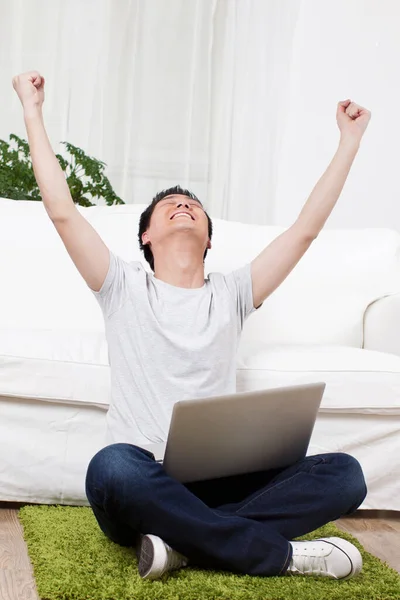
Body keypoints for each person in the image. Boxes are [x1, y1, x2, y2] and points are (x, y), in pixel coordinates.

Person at [13, 71, 370, 582]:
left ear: (207, 240)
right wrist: (32, 109)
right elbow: (62, 212)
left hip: (220, 484)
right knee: (110, 465)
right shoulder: (122, 286)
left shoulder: (233, 294)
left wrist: (349, 141)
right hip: (143, 483)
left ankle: (182, 545)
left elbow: (305, 230)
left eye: (193, 205)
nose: (183, 204)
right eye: (169, 205)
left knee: (345, 475)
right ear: (146, 237)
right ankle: (275, 554)